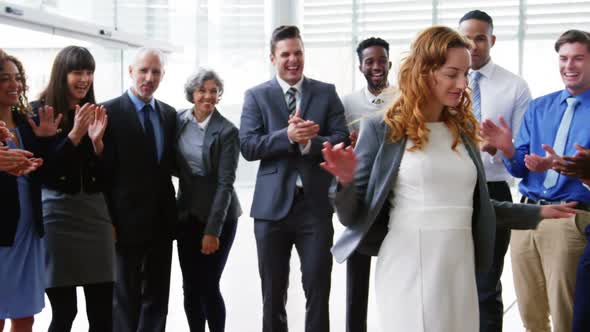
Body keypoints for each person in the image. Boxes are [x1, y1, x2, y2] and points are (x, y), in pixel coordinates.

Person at [322, 26, 577, 332]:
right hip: (408, 261)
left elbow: (474, 206)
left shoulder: (463, 131)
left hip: (459, 261)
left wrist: (539, 212)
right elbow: (353, 216)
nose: (462, 84)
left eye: (466, 74)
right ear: (426, 72)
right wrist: (346, 181)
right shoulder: (383, 129)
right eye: (452, 74)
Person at [239, 25, 348, 332]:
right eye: (285, 54)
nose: (292, 60)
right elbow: (248, 145)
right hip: (270, 209)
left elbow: (341, 138)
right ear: (272, 57)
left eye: (298, 53)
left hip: (314, 207)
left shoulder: (325, 92)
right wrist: (285, 136)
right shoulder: (256, 96)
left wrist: (308, 143)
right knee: (272, 292)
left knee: (317, 286)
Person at [480, 29, 590, 332]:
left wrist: (569, 165)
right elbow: (519, 168)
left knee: (566, 314)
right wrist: (507, 147)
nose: (569, 65)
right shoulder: (540, 107)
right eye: (564, 58)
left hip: (569, 216)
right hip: (527, 217)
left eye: (578, 58)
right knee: (530, 314)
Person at [458, 10, 532, 332]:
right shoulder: (446, 80)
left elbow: (523, 147)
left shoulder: (514, 86)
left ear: (492, 40)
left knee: (487, 283)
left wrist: (500, 148)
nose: (473, 45)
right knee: (455, 282)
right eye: (466, 38)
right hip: (453, 187)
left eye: (480, 38)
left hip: (494, 188)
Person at [31, 46, 113, 332]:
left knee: (104, 314)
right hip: (56, 217)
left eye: (89, 72)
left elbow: (107, 177)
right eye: (77, 72)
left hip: (95, 218)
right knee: (65, 312)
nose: (84, 79)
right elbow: (43, 172)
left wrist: (98, 145)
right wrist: (74, 136)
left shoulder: (97, 111)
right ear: (61, 73)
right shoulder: (38, 112)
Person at [101, 47, 177, 332]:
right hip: (124, 222)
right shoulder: (108, 112)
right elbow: (103, 174)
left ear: (162, 76)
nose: (149, 77)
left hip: (161, 220)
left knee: (158, 298)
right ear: (130, 71)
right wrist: (108, 220)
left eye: (155, 72)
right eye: (143, 70)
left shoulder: (169, 115)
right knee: (125, 299)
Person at [175, 68, 241, 332]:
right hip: (187, 213)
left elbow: (226, 184)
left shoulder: (227, 131)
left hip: (219, 215)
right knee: (189, 285)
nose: (208, 96)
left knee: (208, 284)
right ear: (192, 93)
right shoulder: (179, 120)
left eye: (214, 91)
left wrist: (212, 231)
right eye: (202, 90)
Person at [340, 36, 395, 332]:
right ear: (360, 65)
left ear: (389, 63)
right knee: (356, 280)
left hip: (394, 197)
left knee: (395, 276)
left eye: (381, 60)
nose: (376, 66)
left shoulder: (403, 99)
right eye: (369, 61)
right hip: (361, 197)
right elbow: (339, 143)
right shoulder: (348, 103)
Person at [0, 52, 56, 332]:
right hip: (1, 232)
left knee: (25, 315)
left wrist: (46, 141)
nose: (14, 84)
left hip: (28, 230)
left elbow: (43, 173)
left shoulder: (26, 121)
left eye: (17, 78)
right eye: (4, 79)